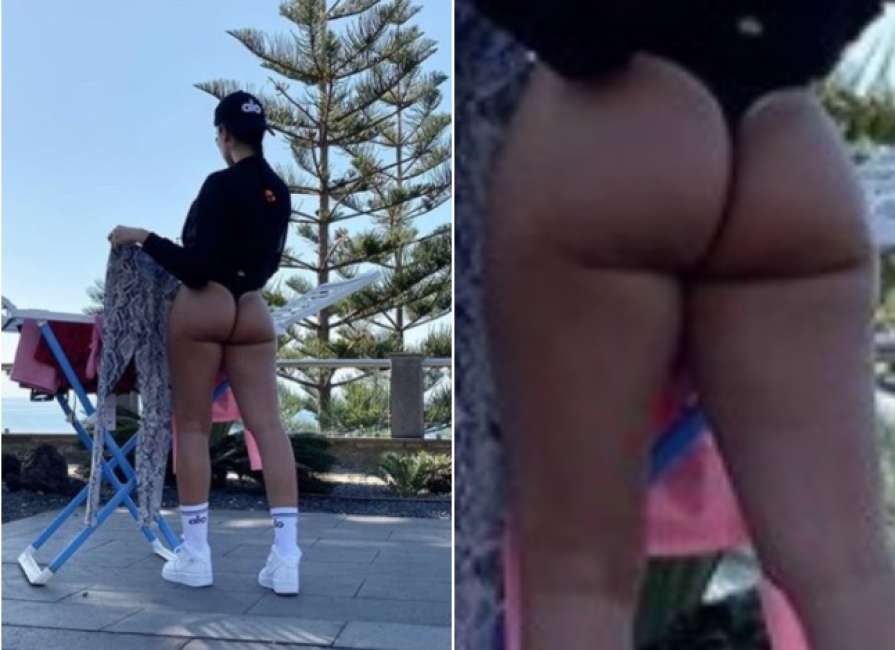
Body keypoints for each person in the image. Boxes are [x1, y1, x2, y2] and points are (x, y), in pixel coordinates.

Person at [475, 2, 895, 649]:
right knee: (849, 574)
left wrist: (575, 39)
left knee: (578, 578)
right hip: (791, 134)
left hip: (615, 116)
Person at [107, 90, 301, 595]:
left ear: (224, 135)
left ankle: (195, 555)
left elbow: (194, 267)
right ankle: (286, 560)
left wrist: (143, 237)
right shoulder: (279, 192)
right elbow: (268, 263)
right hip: (253, 309)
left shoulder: (219, 185)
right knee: (269, 428)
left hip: (206, 304)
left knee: (191, 427)